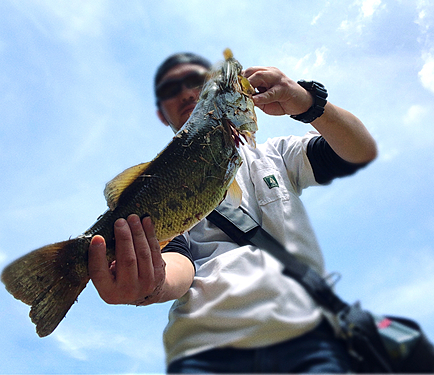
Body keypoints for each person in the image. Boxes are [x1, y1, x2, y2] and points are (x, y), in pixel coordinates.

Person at [87, 52, 378, 373]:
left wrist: (310, 104)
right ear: (161, 114)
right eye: (171, 89)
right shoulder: (158, 187)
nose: (186, 93)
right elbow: (178, 262)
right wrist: (151, 284)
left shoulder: (279, 156)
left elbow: (358, 152)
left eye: (198, 81)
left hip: (307, 343)